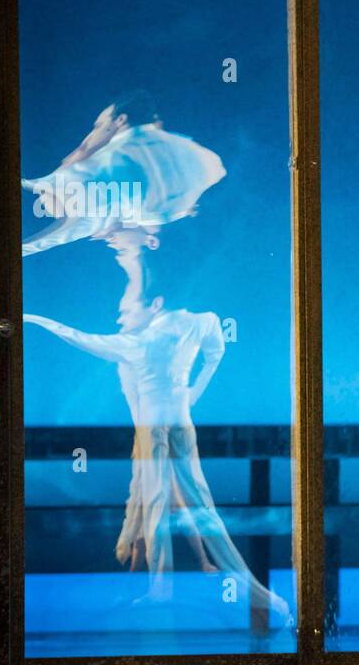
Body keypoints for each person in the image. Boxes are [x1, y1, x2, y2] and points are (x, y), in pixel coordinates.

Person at [22, 249, 293, 631]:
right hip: (179, 425)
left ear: (155, 305)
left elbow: (78, 338)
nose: (120, 317)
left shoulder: (137, 344)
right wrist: (191, 393)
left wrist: (30, 318)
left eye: (128, 309)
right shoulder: (199, 322)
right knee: (192, 507)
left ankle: (165, 588)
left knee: (156, 504)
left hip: (155, 430)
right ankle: (250, 597)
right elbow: (216, 350)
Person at [0, 90, 225, 287]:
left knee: (17, 223)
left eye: (99, 124)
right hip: (88, 208)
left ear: (120, 120)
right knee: (9, 244)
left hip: (79, 198)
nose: (94, 130)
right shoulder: (199, 167)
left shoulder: (137, 146)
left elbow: (81, 154)